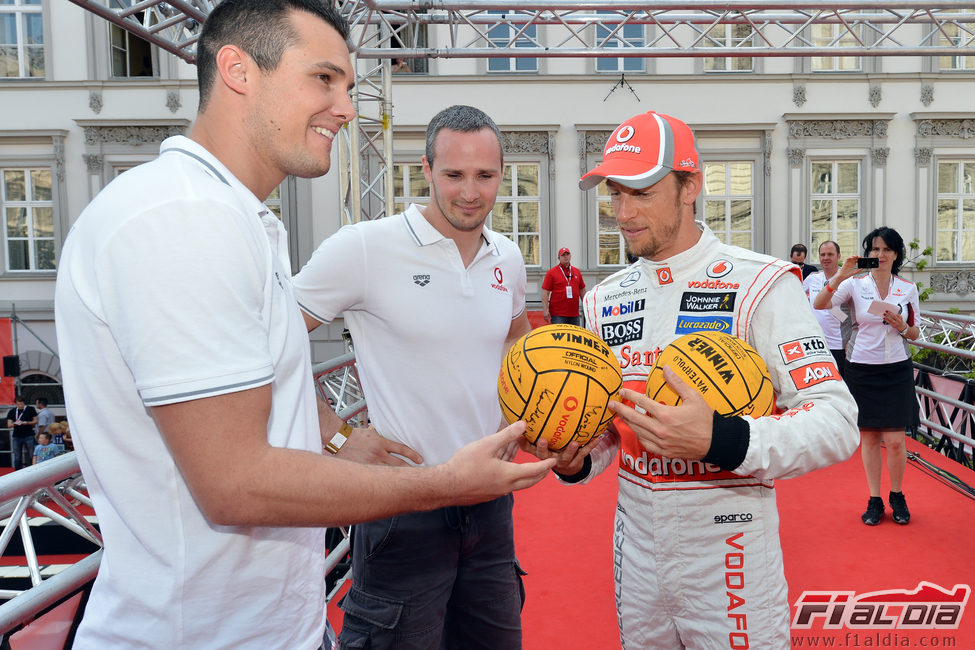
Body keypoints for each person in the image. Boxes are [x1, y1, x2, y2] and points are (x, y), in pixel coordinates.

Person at [53, 5, 553, 649]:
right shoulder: (179, 219)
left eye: (347, 85)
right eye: (324, 78)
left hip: (274, 621)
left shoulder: (236, 221)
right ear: (237, 70)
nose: (345, 107)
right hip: (200, 632)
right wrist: (415, 472)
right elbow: (235, 483)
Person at [523, 111, 860, 649]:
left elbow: (837, 420)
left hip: (730, 549)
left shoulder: (763, 283)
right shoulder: (603, 300)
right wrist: (578, 458)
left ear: (691, 186)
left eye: (643, 192)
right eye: (615, 194)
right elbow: (612, 425)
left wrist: (719, 439)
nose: (624, 213)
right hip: (636, 552)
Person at [293, 104, 532, 649]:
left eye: (485, 176)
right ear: (425, 170)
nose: (470, 192)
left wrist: (523, 411)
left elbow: (517, 338)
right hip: (402, 505)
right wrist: (335, 435)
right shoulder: (364, 248)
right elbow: (265, 341)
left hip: (491, 505)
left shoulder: (509, 257)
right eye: (454, 175)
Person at [812, 226, 919, 526]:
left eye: (886, 250)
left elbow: (915, 331)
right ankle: (875, 500)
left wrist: (900, 325)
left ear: (896, 254)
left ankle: (897, 495)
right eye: (874, 249)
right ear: (868, 253)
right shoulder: (855, 285)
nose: (879, 255)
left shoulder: (907, 289)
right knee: (870, 439)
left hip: (897, 368)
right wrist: (842, 274)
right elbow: (820, 304)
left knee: (896, 441)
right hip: (862, 367)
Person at [803, 240, 849, 375]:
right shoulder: (812, 279)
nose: (826, 258)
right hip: (816, 345)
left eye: (830, 254)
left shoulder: (847, 279)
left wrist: (850, 340)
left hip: (839, 345)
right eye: (822, 255)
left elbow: (853, 314)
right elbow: (796, 298)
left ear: (839, 256)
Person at [541, 247, 586, 326]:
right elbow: (545, 293)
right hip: (558, 315)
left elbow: (582, 291)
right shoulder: (552, 272)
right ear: (559, 258)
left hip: (574, 314)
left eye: (567, 255)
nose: (566, 257)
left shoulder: (577, 272)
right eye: (563, 255)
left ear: (570, 256)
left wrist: (587, 307)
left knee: (573, 337)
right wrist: (545, 310)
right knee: (559, 338)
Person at [5, 396, 37, 470]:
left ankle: (32, 469)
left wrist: (27, 423)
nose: (20, 406)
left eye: (21, 404)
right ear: (15, 404)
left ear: (24, 403)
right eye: (18, 404)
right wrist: (16, 423)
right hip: (17, 436)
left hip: (28, 434)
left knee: (31, 454)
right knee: (17, 456)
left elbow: (35, 421)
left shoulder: (30, 409)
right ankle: (18, 470)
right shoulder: (12, 411)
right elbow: (9, 425)